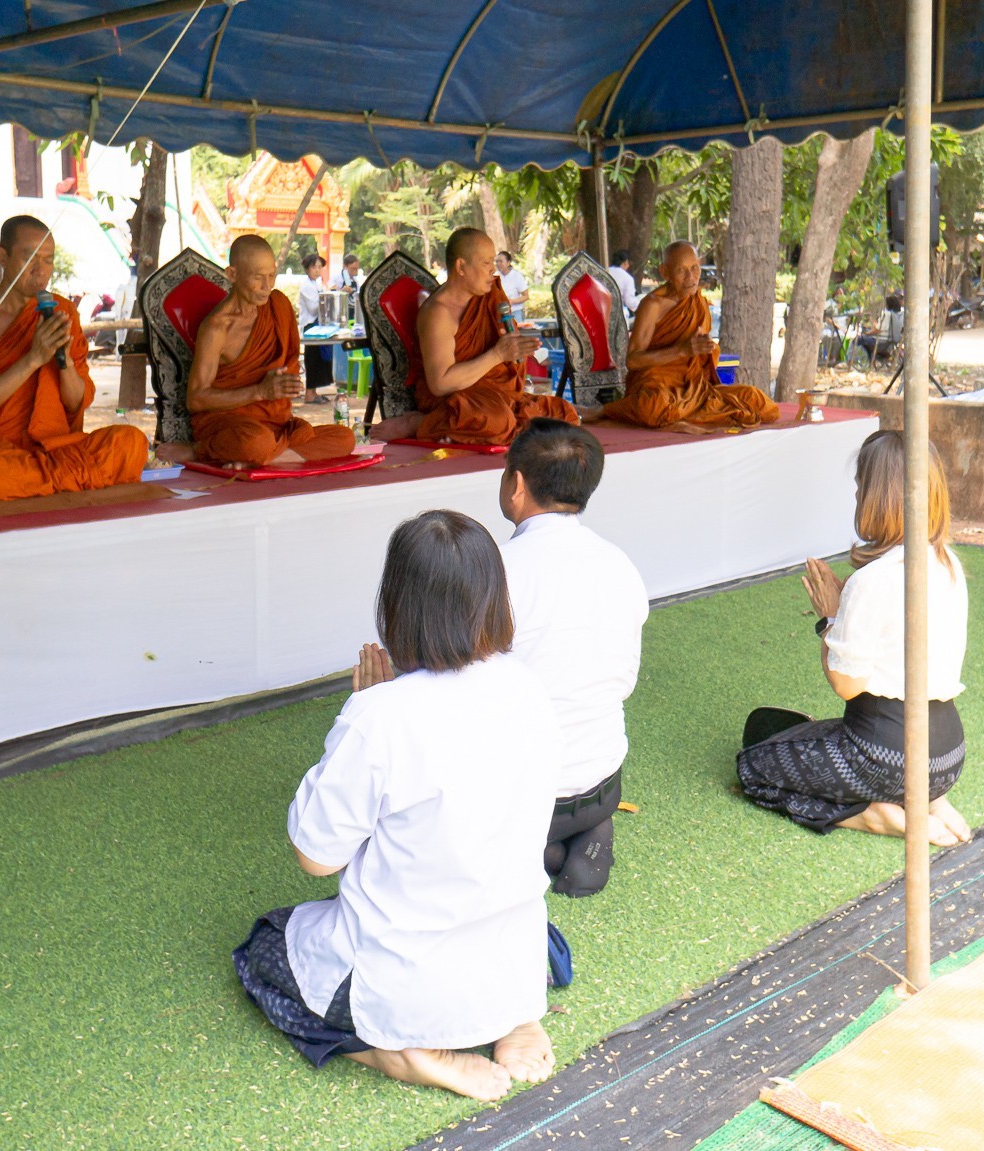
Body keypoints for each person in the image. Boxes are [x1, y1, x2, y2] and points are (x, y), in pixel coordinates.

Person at [234, 510, 563, 1101]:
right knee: (519, 927)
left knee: (264, 947)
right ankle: (515, 1017)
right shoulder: (529, 686)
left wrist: (357, 717)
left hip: (407, 982)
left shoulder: (379, 717)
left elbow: (316, 858)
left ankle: (399, 1054)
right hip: (510, 956)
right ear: (495, 600)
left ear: (397, 606)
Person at [735, 430, 975, 846]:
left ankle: (874, 816)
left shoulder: (874, 579)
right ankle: (932, 801)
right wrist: (846, 605)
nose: (857, 494)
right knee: (806, 739)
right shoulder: (947, 563)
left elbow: (847, 685)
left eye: (861, 485)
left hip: (884, 758)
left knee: (753, 769)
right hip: (947, 757)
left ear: (877, 496)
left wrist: (830, 616)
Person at [498, 419, 648, 897]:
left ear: (516, 484)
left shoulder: (495, 570)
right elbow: (623, 682)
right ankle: (584, 834)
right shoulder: (619, 564)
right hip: (601, 780)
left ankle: (544, 852)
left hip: (520, 800)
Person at [0, 215, 148, 499]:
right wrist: (32, 360)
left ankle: (43, 480)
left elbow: (75, 402)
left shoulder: (61, 312)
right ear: (2, 256)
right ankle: (63, 479)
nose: (41, 270)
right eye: (30, 258)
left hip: (54, 447)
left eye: (48, 260)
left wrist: (65, 361)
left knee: (131, 443)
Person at [372, 228, 579, 445]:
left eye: (494, 262)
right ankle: (420, 423)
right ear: (461, 266)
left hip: (495, 396)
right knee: (496, 422)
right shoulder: (439, 313)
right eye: (486, 263)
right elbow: (441, 384)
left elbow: (504, 366)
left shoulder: (491, 299)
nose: (493, 270)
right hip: (454, 400)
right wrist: (498, 354)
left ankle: (501, 428)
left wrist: (515, 348)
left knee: (563, 414)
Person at [188, 236, 356, 468]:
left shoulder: (278, 306)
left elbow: (287, 370)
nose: (267, 286)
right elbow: (196, 399)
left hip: (275, 425)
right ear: (232, 274)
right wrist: (260, 392)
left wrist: (285, 384)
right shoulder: (217, 328)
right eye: (258, 278)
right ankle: (200, 451)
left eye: (272, 276)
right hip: (233, 425)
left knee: (346, 438)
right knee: (256, 442)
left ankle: (263, 458)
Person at [601, 241, 778, 432]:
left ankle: (687, 413)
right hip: (658, 387)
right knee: (652, 406)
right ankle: (607, 411)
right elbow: (633, 361)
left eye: (695, 268)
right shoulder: (653, 305)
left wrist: (705, 347)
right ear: (665, 272)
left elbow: (702, 362)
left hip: (694, 388)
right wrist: (681, 350)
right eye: (681, 271)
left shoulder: (698, 302)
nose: (691, 277)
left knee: (761, 403)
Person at [296, 253, 336, 400]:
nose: (318, 270)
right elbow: (313, 309)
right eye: (315, 267)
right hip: (310, 326)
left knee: (320, 360)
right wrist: (325, 297)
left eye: (320, 267)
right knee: (312, 358)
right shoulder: (306, 286)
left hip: (318, 326)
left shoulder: (317, 284)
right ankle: (309, 393)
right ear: (308, 269)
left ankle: (314, 392)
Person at [495, 251, 530, 322]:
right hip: (499, 313)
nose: (498, 264)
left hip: (515, 312)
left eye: (501, 261)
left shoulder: (517, 276)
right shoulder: (495, 276)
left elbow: (526, 296)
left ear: (508, 262)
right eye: (497, 261)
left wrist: (512, 301)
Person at [607, 250, 640, 314]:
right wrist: (641, 304)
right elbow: (629, 302)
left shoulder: (604, 271)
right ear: (626, 262)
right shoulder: (628, 278)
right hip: (617, 313)